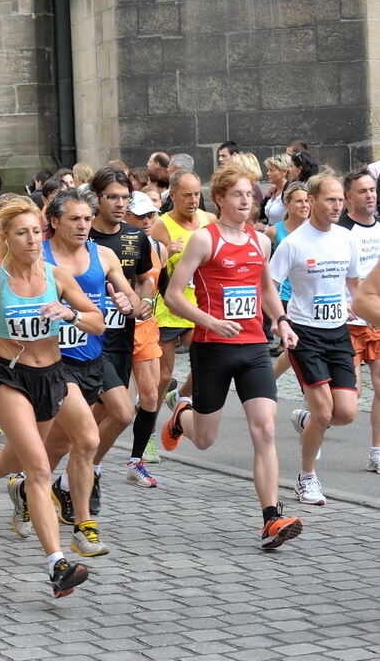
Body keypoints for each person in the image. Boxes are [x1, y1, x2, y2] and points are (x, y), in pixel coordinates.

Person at [0, 197, 103, 598]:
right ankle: (56, 563)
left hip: (50, 376)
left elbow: (98, 323)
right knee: (37, 468)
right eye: (23, 233)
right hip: (8, 377)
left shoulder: (58, 277)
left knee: (17, 458)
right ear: (5, 237)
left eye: (37, 231)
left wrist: (70, 315)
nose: (33, 239)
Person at [161, 162, 303, 549]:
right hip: (212, 349)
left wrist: (282, 321)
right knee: (205, 440)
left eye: (250, 194)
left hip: (255, 349)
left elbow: (266, 289)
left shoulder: (261, 242)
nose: (245, 201)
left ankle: (271, 517)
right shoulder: (205, 240)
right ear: (220, 199)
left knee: (266, 429)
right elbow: (173, 295)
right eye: (237, 194)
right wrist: (210, 320)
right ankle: (181, 416)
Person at [41, 188, 137, 556]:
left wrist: (128, 304)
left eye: (86, 219)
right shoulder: (41, 256)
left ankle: (33, 483)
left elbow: (135, 303)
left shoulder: (104, 254)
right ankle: (83, 524)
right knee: (83, 439)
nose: (83, 226)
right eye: (75, 219)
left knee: (122, 412)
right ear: (54, 222)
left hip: (94, 353)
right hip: (54, 360)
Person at [270, 173, 361, 504]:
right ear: (312, 201)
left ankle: (307, 422)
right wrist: (280, 321)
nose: (338, 205)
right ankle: (306, 478)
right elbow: (269, 284)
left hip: (338, 331)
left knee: (347, 412)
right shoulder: (294, 243)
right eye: (331, 199)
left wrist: (355, 306)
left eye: (341, 199)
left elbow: (353, 284)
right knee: (325, 412)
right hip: (304, 332)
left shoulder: (345, 238)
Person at [85, 167, 153, 501]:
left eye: (125, 197)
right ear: (97, 198)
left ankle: (84, 468)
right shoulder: (82, 234)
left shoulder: (134, 236)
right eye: (112, 197)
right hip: (87, 341)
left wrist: (144, 302)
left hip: (122, 336)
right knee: (117, 411)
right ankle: (83, 473)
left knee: (103, 413)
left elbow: (144, 278)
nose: (120, 204)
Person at [151, 170, 216, 407]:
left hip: (198, 308)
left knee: (209, 361)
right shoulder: (161, 226)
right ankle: (148, 428)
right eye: (187, 195)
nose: (193, 200)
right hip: (168, 311)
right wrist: (167, 251)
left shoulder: (209, 220)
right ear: (174, 195)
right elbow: (148, 270)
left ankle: (179, 397)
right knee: (164, 376)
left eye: (197, 194)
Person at [336, 168, 380, 473]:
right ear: (349, 197)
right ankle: (311, 418)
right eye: (363, 191)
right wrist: (344, 302)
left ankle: (376, 450)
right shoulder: (340, 232)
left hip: (376, 316)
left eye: (373, 190)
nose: (370, 196)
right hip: (349, 321)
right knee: (351, 398)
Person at [125, 192, 167, 467]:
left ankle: (136, 459)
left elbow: (163, 283)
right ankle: (90, 458)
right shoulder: (112, 245)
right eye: (140, 215)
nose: (147, 220)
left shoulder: (158, 247)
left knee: (150, 395)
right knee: (116, 408)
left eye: (151, 214)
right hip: (113, 328)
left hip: (146, 326)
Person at [266, 181, 310, 376]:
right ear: (287, 204)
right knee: (300, 344)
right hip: (284, 296)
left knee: (298, 346)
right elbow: (263, 268)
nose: (305, 205)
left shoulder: (316, 230)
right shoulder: (274, 231)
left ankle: (269, 379)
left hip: (309, 294)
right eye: (299, 201)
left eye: (308, 201)